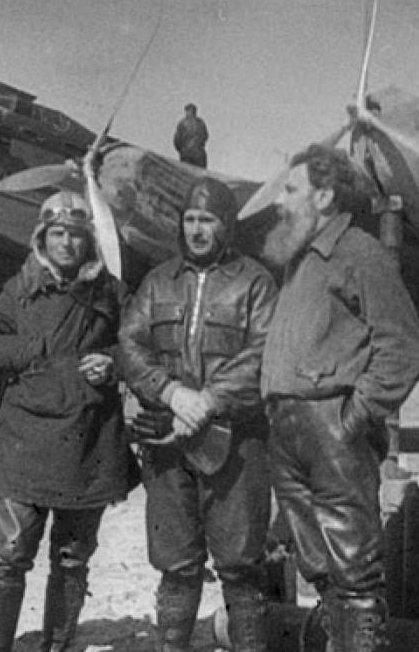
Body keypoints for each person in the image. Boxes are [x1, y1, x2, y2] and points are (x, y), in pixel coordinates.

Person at [253, 143, 419, 652]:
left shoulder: (359, 252)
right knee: (320, 568)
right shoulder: (299, 258)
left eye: (291, 189)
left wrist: (355, 416)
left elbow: (402, 342)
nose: (280, 201)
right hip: (288, 433)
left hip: (333, 430)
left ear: (324, 195)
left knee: (354, 574)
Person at [0, 191, 136, 652]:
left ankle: (58, 647)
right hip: (25, 442)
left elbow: (146, 346)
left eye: (76, 235)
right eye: (58, 234)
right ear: (43, 238)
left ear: (89, 240)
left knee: (72, 559)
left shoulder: (111, 291)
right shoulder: (20, 287)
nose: (67, 243)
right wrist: (27, 353)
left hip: (89, 443)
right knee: (10, 555)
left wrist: (113, 360)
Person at [119, 177, 278, 652]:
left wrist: (207, 401)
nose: (197, 230)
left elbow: (263, 352)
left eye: (207, 220)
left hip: (237, 446)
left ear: (226, 226)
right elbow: (130, 343)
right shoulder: (158, 280)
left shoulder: (255, 283)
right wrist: (170, 394)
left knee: (241, 566)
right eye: (190, 220)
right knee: (176, 564)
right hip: (169, 444)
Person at [174, 102, 210, 168]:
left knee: (186, 173)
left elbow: (177, 140)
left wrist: (182, 149)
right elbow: (205, 136)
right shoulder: (200, 122)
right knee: (199, 174)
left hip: (187, 153)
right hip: (197, 153)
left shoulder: (182, 123)